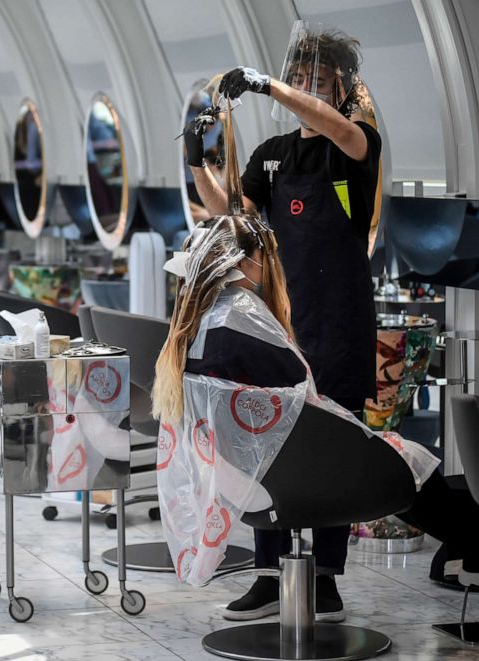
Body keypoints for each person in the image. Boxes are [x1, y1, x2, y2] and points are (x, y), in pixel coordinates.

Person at [152, 214, 478, 593]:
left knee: (405, 459)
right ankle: (472, 543)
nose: (270, 264)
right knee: (412, 466)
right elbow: (305, 402)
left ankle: (466, 545)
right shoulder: (243, 320)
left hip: (239, 479)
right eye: (263, 255)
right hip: (292, 476)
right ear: (242, 261)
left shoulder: (197, 322)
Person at [184, 22, 380, 620]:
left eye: (317, 81)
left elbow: (339, 127)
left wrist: (265, 84)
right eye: (298, 77)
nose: (305, 89)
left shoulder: (355, 144)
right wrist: (197, 159)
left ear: (343, 87)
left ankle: (326, 579)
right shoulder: (271, 157)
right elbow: (233, 219)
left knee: (333, 447)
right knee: (261, 444)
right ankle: (268, 574)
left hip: (340, 324)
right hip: (278, 326)